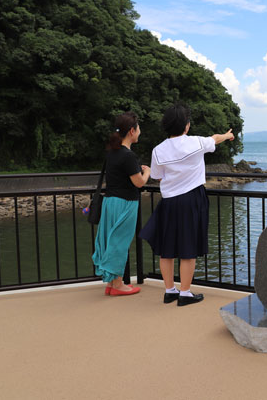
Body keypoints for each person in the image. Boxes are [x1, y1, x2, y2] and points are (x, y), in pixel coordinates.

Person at [139, 103, 235, 306]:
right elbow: (215, 139)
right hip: (192, 199)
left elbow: (156, 176)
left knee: (167, 248)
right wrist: (227, 136)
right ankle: (185, 293)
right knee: (188, 247)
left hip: (169, 201)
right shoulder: (196, 143)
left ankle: (169, 291)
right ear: (187, 126)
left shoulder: (158, 150)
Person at [92, 112, 151, 296]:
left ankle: (111, 282)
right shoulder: (128, 156)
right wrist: (147, 171)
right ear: (132, 131)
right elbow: (139, 183)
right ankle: (118, 285)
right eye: (139, 128)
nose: (140, 132)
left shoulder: (112, 152)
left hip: (110, 202)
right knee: (120, 242)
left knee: (111, 239)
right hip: (125, 204)